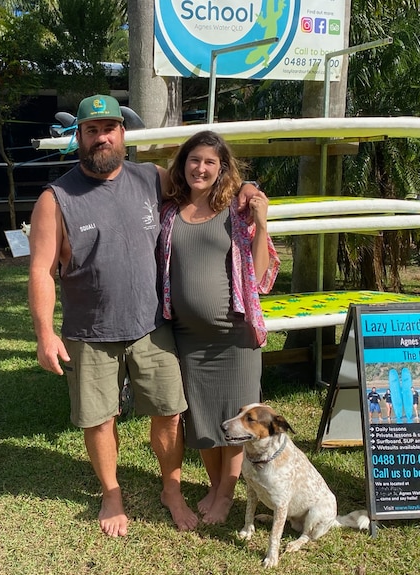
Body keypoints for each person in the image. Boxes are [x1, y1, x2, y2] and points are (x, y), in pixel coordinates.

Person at [27, 94, 200, 537]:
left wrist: (246, 197)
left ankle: (172, 489)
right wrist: (46, 335)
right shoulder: (56, 198)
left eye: (109, 128)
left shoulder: (151, 178)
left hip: (151, 326)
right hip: (89, 332)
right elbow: (42, 271)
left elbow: (204, 191)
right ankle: (111, 492)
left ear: (123, 134)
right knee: (99, 419)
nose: (101, 137)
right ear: (78, 136)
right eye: (91, 130)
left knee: (169, 412)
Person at [158, 130, 280, 524]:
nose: (201, 168)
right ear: (184, 164)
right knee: (205, 417)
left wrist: (261, 224)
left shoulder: (235, 211)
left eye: (211, 162)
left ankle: (226, 496)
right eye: (194, 160)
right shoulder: (168, 211)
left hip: (234, 336)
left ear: (221, 168)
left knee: (235, 418)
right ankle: (214, 486)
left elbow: (260, 276)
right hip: (189, 338)